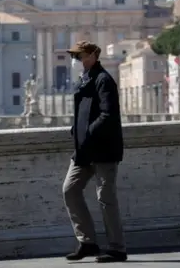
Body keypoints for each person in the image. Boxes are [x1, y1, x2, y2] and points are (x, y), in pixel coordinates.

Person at [62, 40, 127, 263]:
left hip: (103, 149)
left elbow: (108, 114)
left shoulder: (104, 80)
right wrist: (76, 130)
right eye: (75, 56)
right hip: (83, 150)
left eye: (79, 56)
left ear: (92, 55)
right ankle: (87, 242)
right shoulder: (86, 79)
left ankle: (117, 248)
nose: (77, 60)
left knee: (106, 198)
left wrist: (87, 132)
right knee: (70, 190)